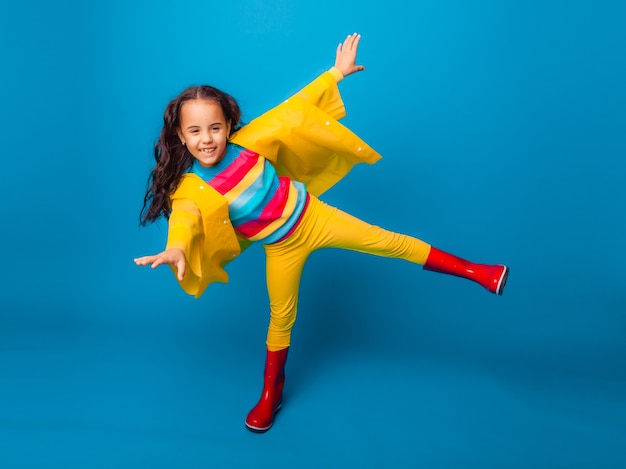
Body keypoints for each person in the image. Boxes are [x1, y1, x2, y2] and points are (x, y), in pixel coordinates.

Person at [134, 33, 509, 433]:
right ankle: (270, 395)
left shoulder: (251, 142)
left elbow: (296, 105)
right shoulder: (193, 187)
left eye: (214, 128)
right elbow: (185, 217)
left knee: (389, 241)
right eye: (195, 132)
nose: (206, 139)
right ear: (180, 136)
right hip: (281, 249)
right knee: (281, 318)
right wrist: (176, 248)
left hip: (314, 217)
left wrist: (337, 73)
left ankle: (477, 271)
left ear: (229, 126)